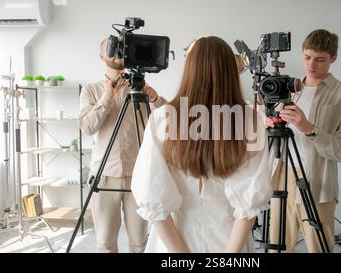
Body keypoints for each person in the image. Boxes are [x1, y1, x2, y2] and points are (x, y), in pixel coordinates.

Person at [131, 36, 273, 252]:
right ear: (231, 71)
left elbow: (152, 198)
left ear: (189, 70)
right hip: (229, 239)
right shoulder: (250, 121)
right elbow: (249, 206)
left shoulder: (164, 118)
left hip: (173, 241)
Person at [266, 29, 341, 253]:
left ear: (333, 59)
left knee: (318, 248)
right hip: (281, 178)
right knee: (278, 247)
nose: (311, 65)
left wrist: (309, 129)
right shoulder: (285, 89)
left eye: (320, 59)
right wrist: (265, 122)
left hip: (318, 182)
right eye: (307, 57)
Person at [79, 38, 166, 253]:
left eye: (121, 49)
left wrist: (154, 98)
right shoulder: (90, 91)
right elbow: (87, 127)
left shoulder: (140, 90)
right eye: (111, 50)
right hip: (104, 175)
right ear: (102, 57)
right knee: (105, 243)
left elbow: (166, 120)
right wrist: (107, 97)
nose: (117, 53)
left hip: (138, 174)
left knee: (140, 242)